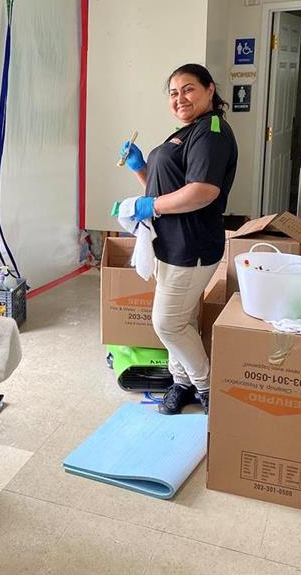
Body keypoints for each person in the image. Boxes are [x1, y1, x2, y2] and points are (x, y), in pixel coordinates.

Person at [119, 63, 238, 415]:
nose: (180, 97)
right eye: (173, 92)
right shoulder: (186, 132)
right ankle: (181, 382)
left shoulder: (211, 132)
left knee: (167, 324)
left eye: (188, 89)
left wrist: (148, 204)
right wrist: (141, 168)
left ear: (209, 89)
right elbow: (165, 192)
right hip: (168, 244)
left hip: (192, 246)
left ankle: (206, 386)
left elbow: (202, 192)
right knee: (182, 320)